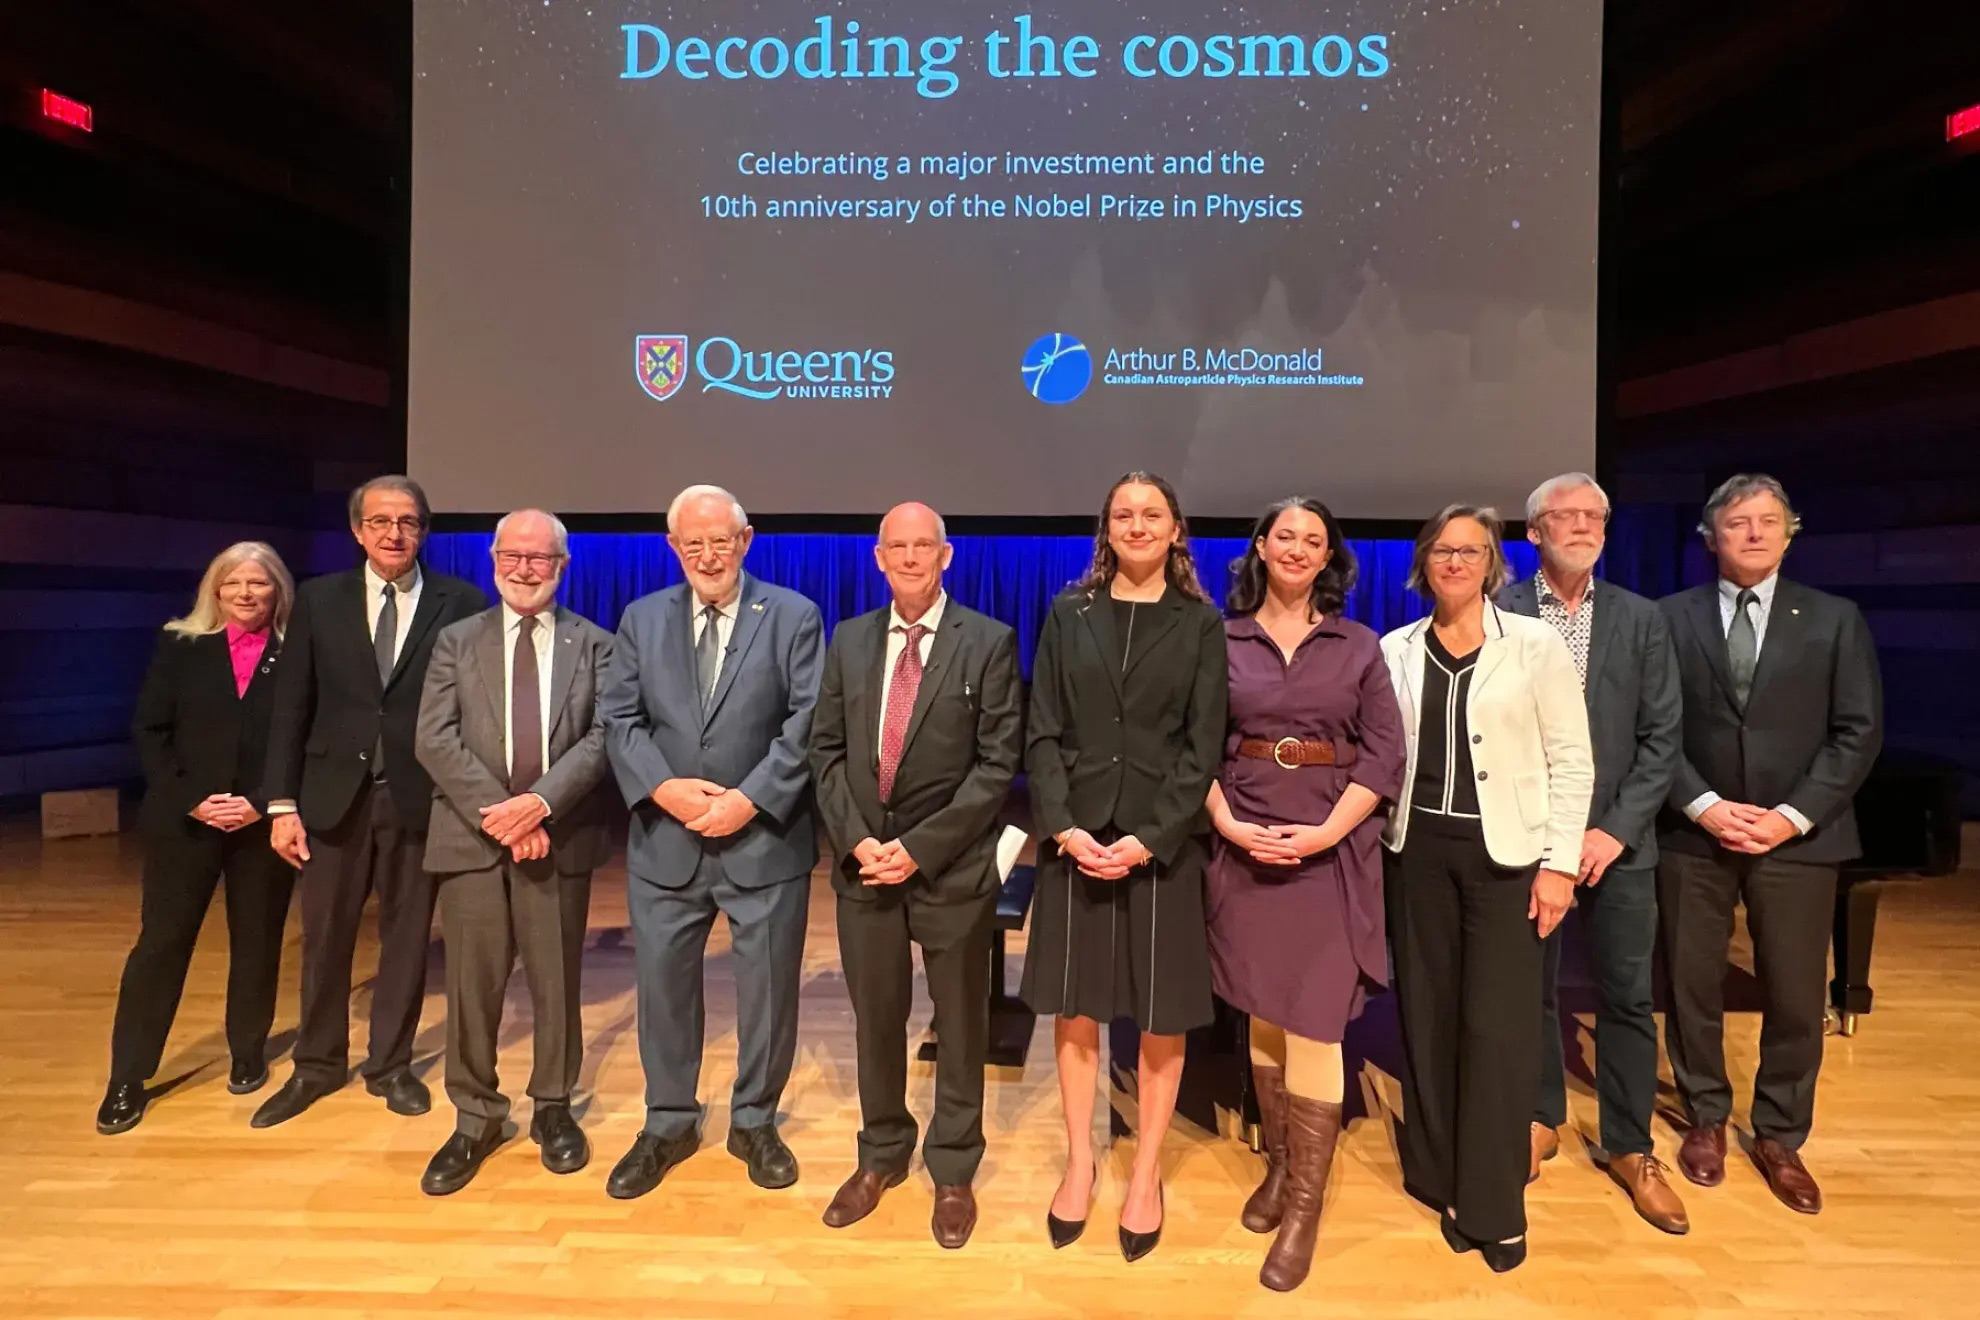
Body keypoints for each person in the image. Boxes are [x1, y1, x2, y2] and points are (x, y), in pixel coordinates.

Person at [1658, 474, 1882, 1215]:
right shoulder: (1669, 618)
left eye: (1768, 521)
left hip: (1798, 839)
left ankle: (1781, 1134)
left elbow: (1858, 732)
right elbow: (1653, 727)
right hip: (1696, 833)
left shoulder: (1834, 618)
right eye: (1737, 522)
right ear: (1709, 537)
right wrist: (1705, 804)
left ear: (1791, 531)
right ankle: (1707, 1116)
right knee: (1693, 984)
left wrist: (1791, 815)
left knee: (1792, 990)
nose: (1754, 533)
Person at [1020, 471, 1228, 1264]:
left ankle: (1145, 1175)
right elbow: (1043, 732)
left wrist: (1149, 837)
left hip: (1158, 846)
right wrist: (1066, 829)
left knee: (1159, 1016)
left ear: (1177, 530)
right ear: (1105, 529)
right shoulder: (1069, 613)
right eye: (1122, 515)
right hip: (1077, 841)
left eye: (1152, 515)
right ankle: (1081, 1162)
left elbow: (1200, 747)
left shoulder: (1201, 624)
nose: (1136, 526)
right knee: (1075, 1011)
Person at [1380, 504, 1593, 1273]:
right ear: (1423, 562)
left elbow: (1574, 759)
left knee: (1500, 1032)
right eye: (1442, 550)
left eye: (1470, 550)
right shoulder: (1393, 648)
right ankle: (1437, 1174)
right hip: (1416, 855)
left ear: (1493, 562)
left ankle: (1494, 1203)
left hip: (1509, 858)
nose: (1456, 561)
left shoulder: (1532, 646)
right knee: (1428, 1018)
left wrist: (1560, 863)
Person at [809, 502, 1024, 1249]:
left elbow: (998, 765)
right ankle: (881, 1156)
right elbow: (825, 753)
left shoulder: (989, 642)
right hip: (864, 869)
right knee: (875, 1021)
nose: (908, 556)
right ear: (877, 557)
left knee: (961, 1025)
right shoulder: (849, 640)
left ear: (946, 554)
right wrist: (859, 840)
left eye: (922, 545)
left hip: (951, 871)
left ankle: (955, 1168)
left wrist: (922, 848)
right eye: (895, 546)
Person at [599, 484, 824, 1198]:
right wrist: (664, 789)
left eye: (719, 541)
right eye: (691, 543)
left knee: (766, 994)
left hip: (762, 841)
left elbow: (808, 722)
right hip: (665, 839)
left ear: (746, 539)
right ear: (673, 547)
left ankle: (755, 1120)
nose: (707, 554)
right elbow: (620, 720)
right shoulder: (641, 618)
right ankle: (668, 1122)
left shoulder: (793, 616)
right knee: (663, 991)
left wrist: (749, 799)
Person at [1205, 497, 1405, 1291]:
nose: (1296, 548)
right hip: (1242, 845)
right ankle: (1281, 1168)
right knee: (1263, 1009)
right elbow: (1194, 748)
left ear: (1329, 559)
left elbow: (1384, 758)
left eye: (1313, 540)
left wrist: (1324, 835)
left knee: (1315, 1023)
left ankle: (1303, 1209)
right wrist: (1225, 822)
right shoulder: (1217, 638)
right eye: (1284, 535)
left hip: (1328, 854)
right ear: (1261, 546)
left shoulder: (1357, 645)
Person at [253, 475, 486, 1128]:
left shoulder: (461, 602)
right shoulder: (320, 601)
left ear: (424, 532)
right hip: (330, 800)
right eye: (381, 521)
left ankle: (391, 1064)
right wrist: (280, 804)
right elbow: (290, 707)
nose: (394, 533)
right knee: (324, 939)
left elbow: (471, 712)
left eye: (408, 522)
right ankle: (317, 1064)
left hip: (419, 799)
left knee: (407, 940)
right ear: (357, 530)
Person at [1501, 473, 1687, 1234]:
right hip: (1526, 840)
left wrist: (1612, 830)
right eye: (1563, 515)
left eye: (1594, 516)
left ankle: (1629, 1144)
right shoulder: (1497, 611)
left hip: (1619, 842)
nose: (1581, 525)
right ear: (1534, 531)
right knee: (1529, 992)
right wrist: (1549, 836)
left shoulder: (1642, 620)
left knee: (1626, 998)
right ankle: (1539, 1117)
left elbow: (1662, 738)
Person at [412, 510, 616, 1195]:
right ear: (493, 558)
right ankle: (475, 1118)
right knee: (473, 987)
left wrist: (540, 805)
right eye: (514, 555)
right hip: (472, 839)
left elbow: (602, 740)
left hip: (556, 837)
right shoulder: (454, 642)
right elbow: (434, 739)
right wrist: (504, 815)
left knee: (556, 982)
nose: (526, 568)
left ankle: (554, 1109)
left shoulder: (597, 645)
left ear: (563, 566)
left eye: (542, 558)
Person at [97, 543, 299, 1134]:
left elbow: (307, 738)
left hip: (260, 823)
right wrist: (192, 798)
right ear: (214, 591)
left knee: (258, 943)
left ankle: (247, 1051)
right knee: (160, 947)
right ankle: (128, 1078)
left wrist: (261, 803)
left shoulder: (296, 654)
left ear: (277, 591)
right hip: (186, 821)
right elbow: (150, 729)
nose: (245, 593)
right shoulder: (180, 646)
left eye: (258, 583)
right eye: (232, 582)